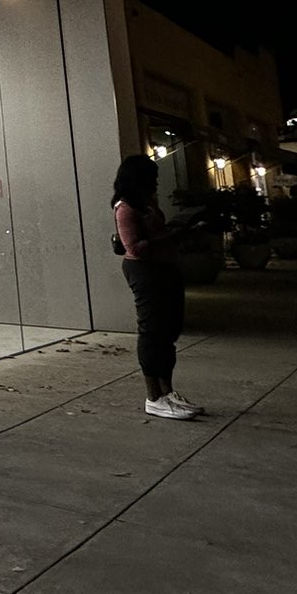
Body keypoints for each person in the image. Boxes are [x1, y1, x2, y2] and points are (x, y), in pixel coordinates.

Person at [112, 154, 203, 419]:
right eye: (151, 177)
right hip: (145, 271)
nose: (155, 182)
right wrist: (172, 234)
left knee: (169, 330)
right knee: (152, 330)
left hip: (164, 268)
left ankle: (167, 391)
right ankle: (154, 396)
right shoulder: (126, 207)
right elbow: (134, 248)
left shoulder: (147, 204)